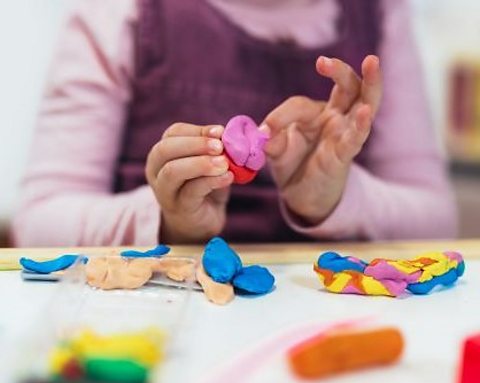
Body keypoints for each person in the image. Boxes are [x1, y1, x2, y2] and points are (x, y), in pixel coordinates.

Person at [13, 0, 457, 246]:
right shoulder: (116, 14)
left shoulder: (380, 15)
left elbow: (438, 223)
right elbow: (38, 223)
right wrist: (168, 221)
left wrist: (335, 200)